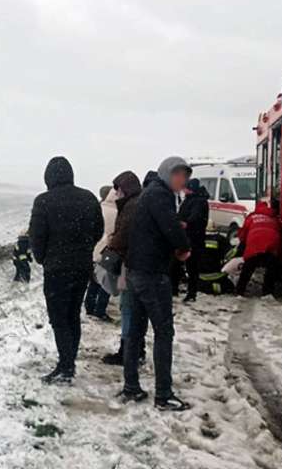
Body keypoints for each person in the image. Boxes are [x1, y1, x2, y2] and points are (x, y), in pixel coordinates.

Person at [122, 157, 192, 411]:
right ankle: (163, 395)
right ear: (167, 174)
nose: (182, 180)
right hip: (151, 274)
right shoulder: (161, 195)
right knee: (163, 333)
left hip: (136, 270)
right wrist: (183, 247)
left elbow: (154, 228)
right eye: (178, 175)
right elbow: (170, 227)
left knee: (135, 332)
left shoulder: (149, 194)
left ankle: (131, 386)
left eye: (186, 176)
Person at [29, 157, 103, 384]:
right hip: (81, 267)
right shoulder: (88, 197)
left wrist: (43, 258)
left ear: (48, 177)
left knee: (59, 318)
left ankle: (66, 366)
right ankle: (68, 362)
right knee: (72, 315)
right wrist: (84, 249)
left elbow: (37, 237)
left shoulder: (44, 201)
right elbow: (98, 231)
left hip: (56, 269)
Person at [100, 171, 143, 366]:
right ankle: (135, 350)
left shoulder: (131, 207)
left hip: (132, 265)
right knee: (134, 310)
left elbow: (123, 236)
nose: (116, 194)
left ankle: (128, 352)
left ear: (125, 189)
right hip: (139, 264)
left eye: (118, 190)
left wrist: (111, 243)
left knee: (128, 308)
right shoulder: (138, 203)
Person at [235, 201, 282, 297]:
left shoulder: (252, 217)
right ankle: (267, 292)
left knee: (248, 268)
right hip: (272, 244)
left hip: (254, 245)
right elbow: (280, 232)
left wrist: (240, 250)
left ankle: (239, 291)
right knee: (271, 269)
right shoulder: (274, 218)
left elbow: (243, 235)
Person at [86, 186, 118, 321]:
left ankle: (89, 306)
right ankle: (100, 310)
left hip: (94, 249)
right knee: (106, 283)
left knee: (94, 280)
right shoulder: (118, 212)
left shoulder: (97, 208)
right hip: (108, 250)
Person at [178, 179, 210, 302]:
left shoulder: (199, 201)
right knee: (185, 265)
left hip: (194, 238)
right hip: (188, 237)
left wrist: (184, 223)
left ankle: (192, 293)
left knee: (192, 267)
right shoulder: (189, 199)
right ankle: (182, 290)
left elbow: (195, 218)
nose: (184, 191)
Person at [195, 221, 236, 295]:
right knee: (229, 287)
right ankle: (215, 288)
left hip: (200, 277)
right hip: (217, 275)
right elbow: (230, 255)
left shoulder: (197, 238)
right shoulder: (220, 239)